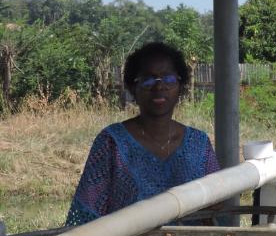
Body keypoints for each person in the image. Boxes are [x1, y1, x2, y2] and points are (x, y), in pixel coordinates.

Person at [65, 42, 220, 226]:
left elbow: (217, 205)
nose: (159, 87)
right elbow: (86, 213)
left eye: (168, 79)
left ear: (180, 87)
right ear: (133, 89)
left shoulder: (199, 144)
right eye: (148, 80)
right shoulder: (112, 143)